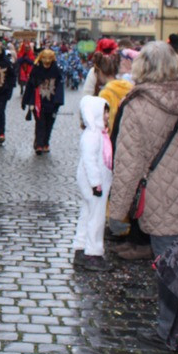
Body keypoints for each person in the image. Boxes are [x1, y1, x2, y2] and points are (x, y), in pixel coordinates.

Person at [108, 41, 178, 349]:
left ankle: (169, 331)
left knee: (168, 269)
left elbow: (128, 165)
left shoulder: (137, 105)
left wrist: (117, 214)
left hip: (161, 200)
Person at [74, 96, 112, 272]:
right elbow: (90, 161)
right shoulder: (93, 135)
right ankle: (93, 252)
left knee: (87, 212)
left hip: (94, 182)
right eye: (105, 112)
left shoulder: (96, 133)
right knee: (96, 216)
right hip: (94, 184)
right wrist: (96, 183)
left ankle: (81, 247)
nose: (107, 116)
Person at [21, 49, 64, 154]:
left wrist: (58, 102)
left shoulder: (56, 70)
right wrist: (25, 100)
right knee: (40, 123)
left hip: (52, 102)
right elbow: (30, 86)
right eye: (44, 58)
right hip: (38, 102)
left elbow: (59, 87)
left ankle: (45, 142)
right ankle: (39, 144)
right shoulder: (36, 70)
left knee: (49, 124)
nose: (47, 61)